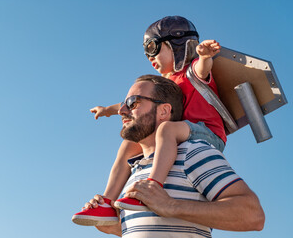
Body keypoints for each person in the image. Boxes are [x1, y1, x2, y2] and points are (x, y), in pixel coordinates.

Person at [72, 15, 227, 224]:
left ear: (177, 45)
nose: (149, 56)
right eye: (146, 52)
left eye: (154, 48)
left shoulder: (191, 71)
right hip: (181, 132)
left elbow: (202, 69)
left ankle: (153, 186)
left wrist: (205, 55)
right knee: (129, 143)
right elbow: (135, 104)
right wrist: (107, 110)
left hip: (207, 133)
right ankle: (107, 203)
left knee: (166, 130)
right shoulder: (166, 82)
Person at [77, 75, 265, 237]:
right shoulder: (134, 172)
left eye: (132, 103)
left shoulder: (192, 152)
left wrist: (172, 205)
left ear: (164, 111)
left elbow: (253, 215)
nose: (122, 111)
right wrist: (112, 227)